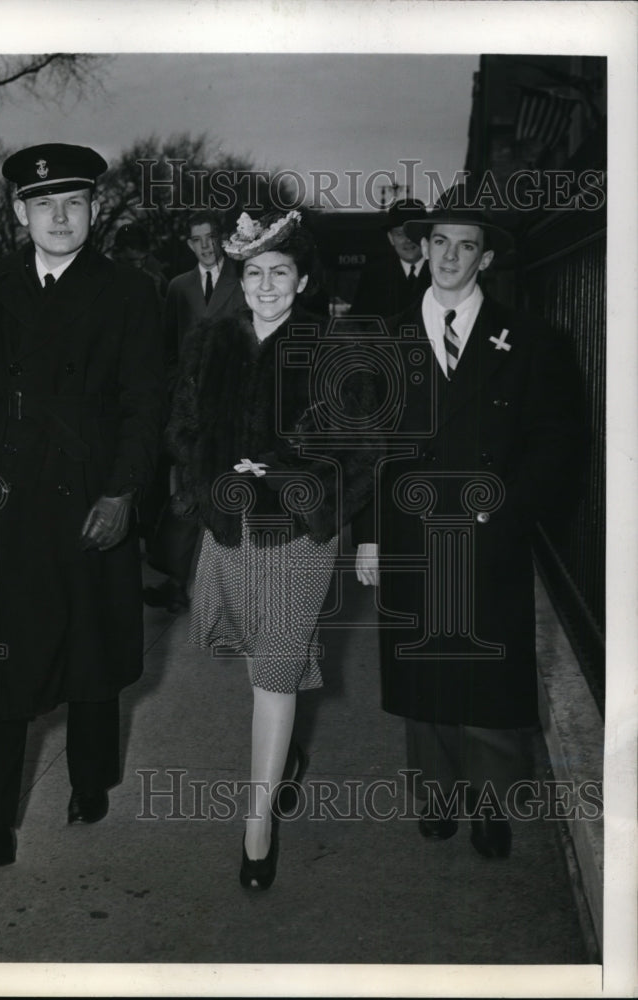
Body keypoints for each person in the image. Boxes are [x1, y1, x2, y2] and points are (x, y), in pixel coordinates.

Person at [0, 143, 165, 874]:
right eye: (44, 204)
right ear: (20, 213)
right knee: (3, 657)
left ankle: (90, 775)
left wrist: (123, 492)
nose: (60, 216)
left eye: (73, 203)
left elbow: (147, 405)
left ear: (94, 210)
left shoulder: (131, 292)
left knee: (89, 649)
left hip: (89, 492)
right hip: (8, 495)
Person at [351, 188, 582, 858]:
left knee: (489, 662)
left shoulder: (532, 340)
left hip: (487, 529)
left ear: (486, 257)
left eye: (467, 245)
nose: (451, 257)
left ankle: (492, 800)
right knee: (424, 663)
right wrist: (367, 534)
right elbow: (366, 443)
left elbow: (555, 442)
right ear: (422, 249)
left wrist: (508, 510)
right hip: (407, 528)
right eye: (441, 243)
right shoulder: (386, 337)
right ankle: (435, 791)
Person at [167, 209, 378, 889]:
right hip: (230, 528)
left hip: (298, 532)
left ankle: (257, 830)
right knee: (260, 656)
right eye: (253, 273)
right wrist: (211, 483)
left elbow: (360, 449)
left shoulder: (332, 347)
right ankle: (281, 762)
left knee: (274, 672)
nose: (264, 285)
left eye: (279, 272)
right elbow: (186, 432)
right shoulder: (209, 344)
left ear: (304, 279)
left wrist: (288, 477)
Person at [143, 209, 246, 612]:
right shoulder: (177, 287)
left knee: (228, 492)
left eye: (210, 237)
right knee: (187, 494)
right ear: (187, 244)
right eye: (196, 240)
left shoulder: (244, 279)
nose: (205, 246)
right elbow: (167, 349)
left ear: (221, 239)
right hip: (190, 411)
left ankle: (228, 590)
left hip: (231, 404)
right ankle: (178, 581)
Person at [349, 198, 431, 319]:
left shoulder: (441, 271)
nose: (407, 240)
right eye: (400, 234)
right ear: (391, 238)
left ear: (425, 235)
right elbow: (358, 323)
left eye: (413, 232)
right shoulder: (374, 276)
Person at [112, 221, 169, 303]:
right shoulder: (106, 281)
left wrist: (156, 295)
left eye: (143, 259)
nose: (139, 265)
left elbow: (172, 312)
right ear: (116, 255)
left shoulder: (157, 278)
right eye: (131, 260)